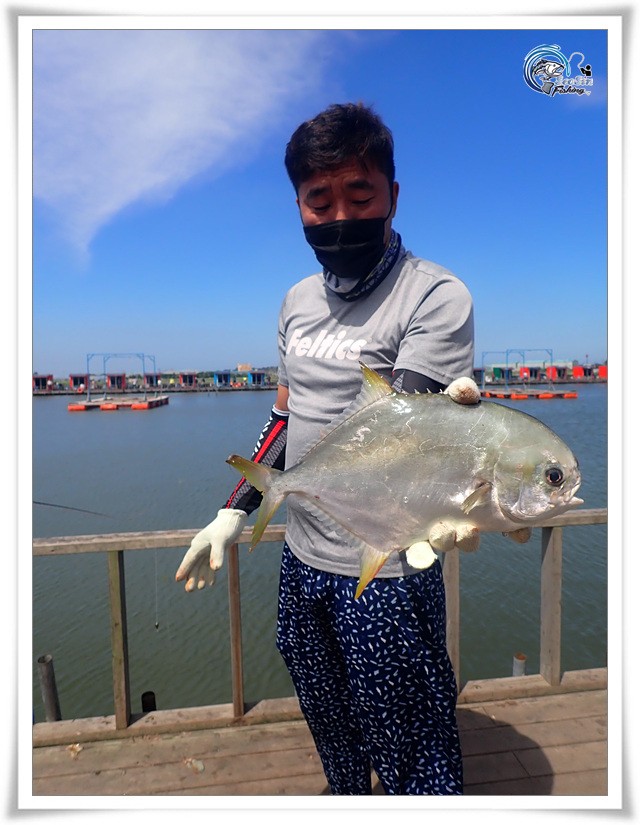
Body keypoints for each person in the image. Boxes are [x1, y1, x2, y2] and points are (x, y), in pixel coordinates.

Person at [176, 102, 475, 795]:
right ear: (299, 207)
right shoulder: (296, 302)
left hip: (388, 566)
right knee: (332, 728)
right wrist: (235, 506)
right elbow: (286, 415)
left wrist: (480, 480)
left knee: (413, 747)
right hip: (302, 559)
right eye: (319, 200)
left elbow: (402, 431)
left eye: (360, 196)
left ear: (392, 195)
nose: (340, 216)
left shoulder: (434, 296)